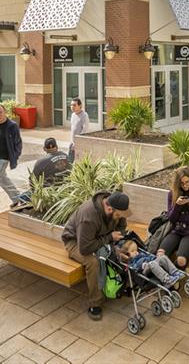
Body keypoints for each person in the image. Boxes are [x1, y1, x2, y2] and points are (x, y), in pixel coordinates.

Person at [61, 191, 130, 321]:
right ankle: (95, 303)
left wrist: (118, 244)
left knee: (126, 250)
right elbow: (85, 248)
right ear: (110, 209)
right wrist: (109, 238)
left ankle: (121, 285)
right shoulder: (88, 216)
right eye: (118, 215)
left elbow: (122, 226)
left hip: (100, 237)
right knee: (94, 262)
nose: (121, 217)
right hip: (76, 241)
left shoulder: (118, 206)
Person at [159, 167, 189, 269]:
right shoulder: (172, 194)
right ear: (177, 183)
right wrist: (177, 206)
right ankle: (162, 278)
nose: (185, 185)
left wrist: (180, 216)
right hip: (176, 231)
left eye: (187, 182)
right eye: (182, 183)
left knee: (181, 260)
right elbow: (171, 218)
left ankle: (174, 281)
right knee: (160, 253)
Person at [69, 98, 89, 163]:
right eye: (71, 105)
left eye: (74, 105)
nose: (72, 107)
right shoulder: (73, 115)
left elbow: (85, 130)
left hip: (80, 142)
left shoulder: (84, 115)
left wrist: (77, 142)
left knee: (80, 161)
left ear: (80, 106)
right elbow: (73, 129)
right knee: (70, 161)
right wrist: (73, 142)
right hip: (73, 142)